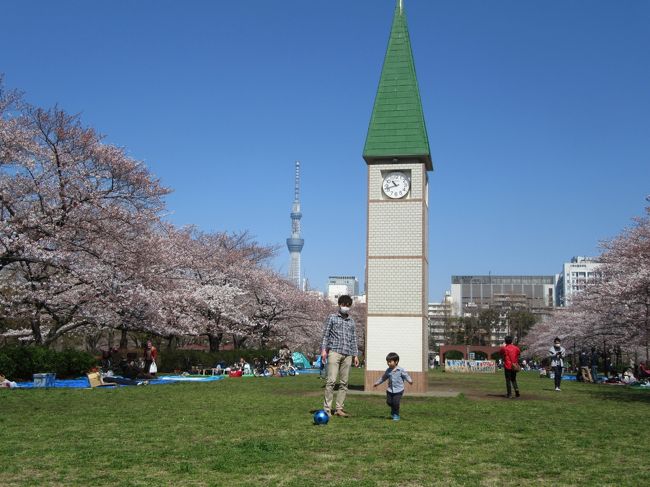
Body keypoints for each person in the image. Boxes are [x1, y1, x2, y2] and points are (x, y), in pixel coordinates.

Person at [320, 295, 359, 417]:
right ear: (339, 304)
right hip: (334, 352)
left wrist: (355, 355)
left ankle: (339, 409)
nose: (345, 307)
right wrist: (324, 350)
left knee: (344, 382)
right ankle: (327, 409)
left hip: (347, 354)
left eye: (348, 305)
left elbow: (353, 339)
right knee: (331, 381)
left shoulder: (351, 321)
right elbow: (326, 335)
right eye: (343, 304)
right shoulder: (332, 318)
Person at [372, 352, 413, 421]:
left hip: (399, 390)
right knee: (389, 402)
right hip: (390, 390)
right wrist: (377, 383)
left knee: (396, 403)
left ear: (396, 362)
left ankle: (396, 415)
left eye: (390, 362)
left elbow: (406, 375)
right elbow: (383, 378)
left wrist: (410, 381)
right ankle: (393, 409)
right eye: (387, 362)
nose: (388, 363)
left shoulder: (400, 370)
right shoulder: (388, 370)